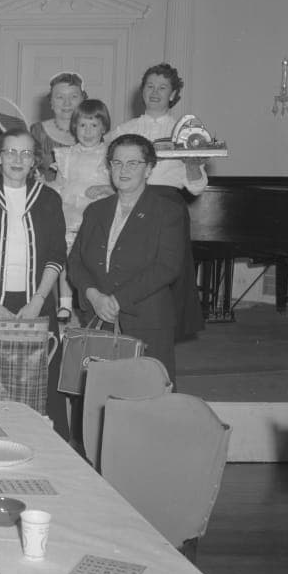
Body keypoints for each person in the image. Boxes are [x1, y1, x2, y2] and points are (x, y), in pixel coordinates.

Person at [0, 130, 69, 436]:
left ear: (35, 160)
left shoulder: (49, 199)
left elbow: (55, 255)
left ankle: (49, 453)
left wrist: (37, 301)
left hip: (36, 302)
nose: (17, 160)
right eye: (10, 152)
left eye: (25, 154)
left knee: (43, 382)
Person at [68, 133, 186, 380]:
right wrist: (94, 296)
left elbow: (167, 267)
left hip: (146, 323)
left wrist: (117, 300)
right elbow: (76, 262)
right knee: (100, 400)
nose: (123, 169)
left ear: (149, 168)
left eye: (133, 163)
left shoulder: (168, 212)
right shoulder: (96, 210)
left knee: (147, 402)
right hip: (100, 319)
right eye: (117, 162)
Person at [109, 63, 206, 341]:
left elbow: (197, 187)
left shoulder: (186, 131)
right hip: (129, 204)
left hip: (168, 206)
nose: (155, 92)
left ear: (173, 93)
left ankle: (162, 338)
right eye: (150, 86)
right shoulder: (124, 130)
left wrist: (191, 165)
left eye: (162, 87)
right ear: (142, 90)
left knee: (167, 274)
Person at [48, 98, 114, 325]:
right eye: (82, 125)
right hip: (69, 212)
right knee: (67, 259)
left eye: (94, 125)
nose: (87, 131)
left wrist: (107, 188)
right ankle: (65, 302)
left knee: (94, 260)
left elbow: (121, 185)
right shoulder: (66, 155)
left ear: (104, 127)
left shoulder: (109, 155)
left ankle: (97, 299)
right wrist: (43, 186)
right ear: (74, 127)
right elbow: (59, 185)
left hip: (96, 213)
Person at [31, 72, 85, 180]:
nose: (67, 103)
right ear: (51, 101)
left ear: (83, 100)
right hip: (46, 194)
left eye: (73, 97)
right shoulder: (37, 131)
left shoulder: (94, 131)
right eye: (60, 97)